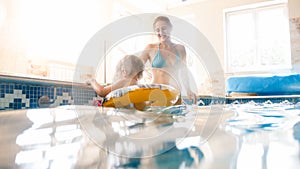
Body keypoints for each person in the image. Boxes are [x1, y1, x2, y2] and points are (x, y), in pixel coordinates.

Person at [140, 16, 197, 104]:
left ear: (170, 28)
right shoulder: (150, 48)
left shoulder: (180, 49)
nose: (161, 32)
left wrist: (188, 90)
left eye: (164, 28)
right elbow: (136, 68)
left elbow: (184, 72)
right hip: (156, 94)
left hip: (175, 95)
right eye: (157, 30)